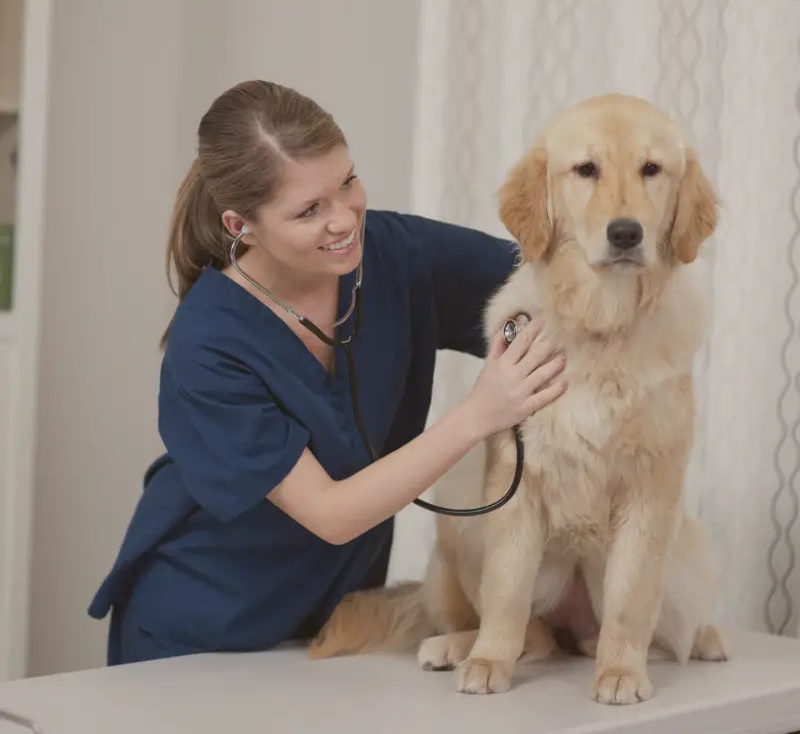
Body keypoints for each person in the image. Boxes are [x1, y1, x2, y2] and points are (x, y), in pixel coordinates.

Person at [88, 79, 568, 665]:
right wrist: (480, 415)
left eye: (347, 183)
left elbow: (552, 283)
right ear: (242, 225)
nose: (344, 219)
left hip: (336, 622)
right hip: (201, 628)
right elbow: (331, 514)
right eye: (309, 210)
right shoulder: (209, 344)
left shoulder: (396, 255)